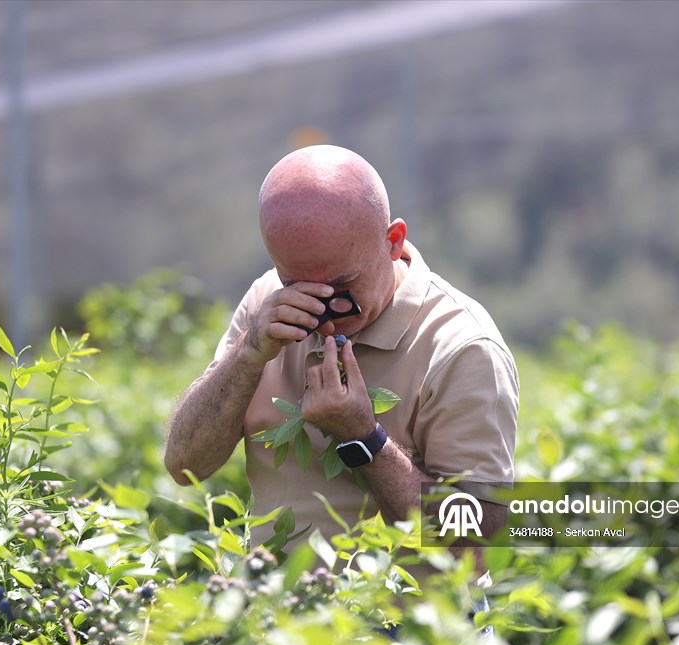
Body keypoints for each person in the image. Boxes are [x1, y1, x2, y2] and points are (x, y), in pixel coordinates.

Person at [164, 144, 518, 551]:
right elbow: (185, 466)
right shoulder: (266, 301)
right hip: (271, 608)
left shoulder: (461, 347)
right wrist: (248, 355)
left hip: (404, 614)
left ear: (392, 240)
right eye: (298, 286)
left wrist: (364, 440)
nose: (324, 310)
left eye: (343, 285)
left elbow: (480, 540)